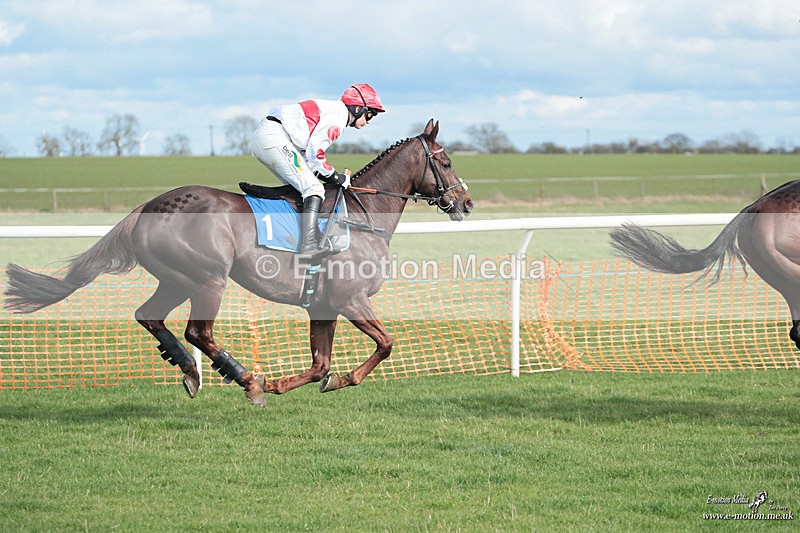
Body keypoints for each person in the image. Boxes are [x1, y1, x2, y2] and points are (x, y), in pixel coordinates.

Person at [251, 83, 385, 255]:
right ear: (358, 108)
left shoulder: (334, 111)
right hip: (275, 137)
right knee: (313, 188)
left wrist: (327, 175)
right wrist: (337, 178)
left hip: (271, 136)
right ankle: (309, 244)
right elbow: (316, 155)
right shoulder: (336, 121)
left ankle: (293, 236)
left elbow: (309, 158)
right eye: (370, 115)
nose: (368, 122)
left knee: (303, 187)